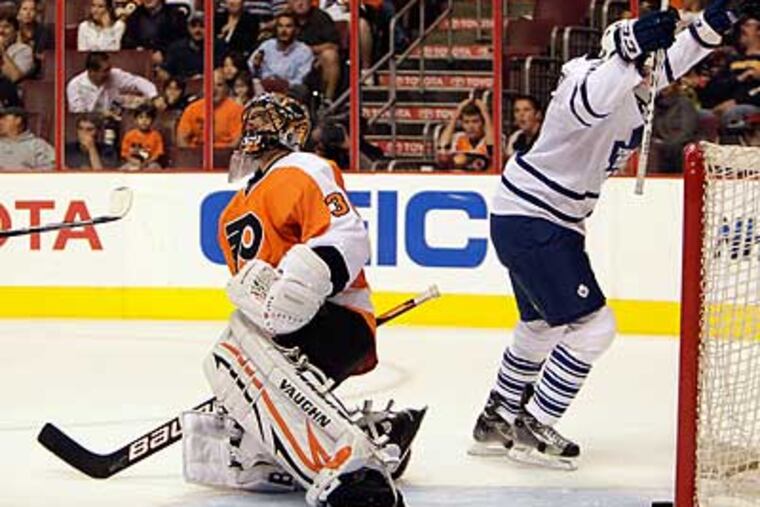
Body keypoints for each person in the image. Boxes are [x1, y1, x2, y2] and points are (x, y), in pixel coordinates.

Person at [470, 0, 739, 470]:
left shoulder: (634, 85)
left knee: (540, 324)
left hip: (534, 215)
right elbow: (595, 100)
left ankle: (496, 417)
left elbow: (676, 57)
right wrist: (633, 47)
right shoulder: (582, 79)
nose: (655, 69)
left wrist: (719, 20)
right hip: (538, 218)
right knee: (596, 326)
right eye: (644, 57)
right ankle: (534, 423)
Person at [179, 93, 423, 507]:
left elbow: (346, 236)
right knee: (239, 453)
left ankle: (353, 471)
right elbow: (252, 293)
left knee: (228, 359)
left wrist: (300, 288)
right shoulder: (231, 212)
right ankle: (377, 435)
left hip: (334, 320)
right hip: (279, 338)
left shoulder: (303, 169)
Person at [66, 52, 158, 113]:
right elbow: (79, 114)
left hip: (116, 117)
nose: (109, 73)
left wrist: (154, 96)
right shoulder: (75, 86)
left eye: (109, 68)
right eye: (105, 71)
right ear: (91, 72)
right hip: (91, 123)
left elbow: (137, 82)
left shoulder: (113, 74)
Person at [248, 10, 313, 94]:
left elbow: (301, 79)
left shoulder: (304, 51)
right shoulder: (266, 46)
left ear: (296, 30)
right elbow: (250, 66)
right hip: (263, 88)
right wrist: (255, 66)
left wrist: (281, 84)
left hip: (288, 90)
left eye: (288, 26)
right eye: (280, 26)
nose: (283, 30)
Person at [176, 69, 243, 147]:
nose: (213, 90)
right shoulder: (192, 109)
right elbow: (181, 139)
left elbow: (236, 143)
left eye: (219, 85)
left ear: (226, 88)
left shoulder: (237, 110)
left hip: (224, 155)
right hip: (196, 155)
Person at [289, 0, 341, 101]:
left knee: (330, 55)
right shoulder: (285, 19)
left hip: (315, 59)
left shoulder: (321, 17)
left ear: (310, 2)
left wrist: (306, 50)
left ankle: (326, 101)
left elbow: (334, 45)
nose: (300, 3)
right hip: (289, 58)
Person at [437, 98, 493, 171]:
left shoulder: (491, 138)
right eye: (466, 122)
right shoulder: (458, 137)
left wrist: (485, 113)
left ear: (483, 123)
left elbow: (493, 150)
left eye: (475, 121)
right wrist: (456, 114)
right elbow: (442, 147)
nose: (471, 126)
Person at [120, 102, 164, 169]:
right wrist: (133, 161)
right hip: (132, 163)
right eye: (141, 117)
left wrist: (147, 162)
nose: (144, 120)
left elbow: (157, 154)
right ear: (136, 120)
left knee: (155, 167)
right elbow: (125, 154)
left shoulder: (156, 136)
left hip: (150, 163)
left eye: (147, 118)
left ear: (152, 120)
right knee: (123, 169)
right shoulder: (129, 135)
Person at [505, 95, 542, 159]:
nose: (521, 114)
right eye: (517, 111)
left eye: (526, 110)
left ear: (538, 114)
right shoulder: (516, 137)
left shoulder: (546, 137)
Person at [0, 12, 33, 82]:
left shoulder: (24, 50)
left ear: (16, 31)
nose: (1, 31)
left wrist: (2, 52)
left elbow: (15, 77)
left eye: (6, 27)